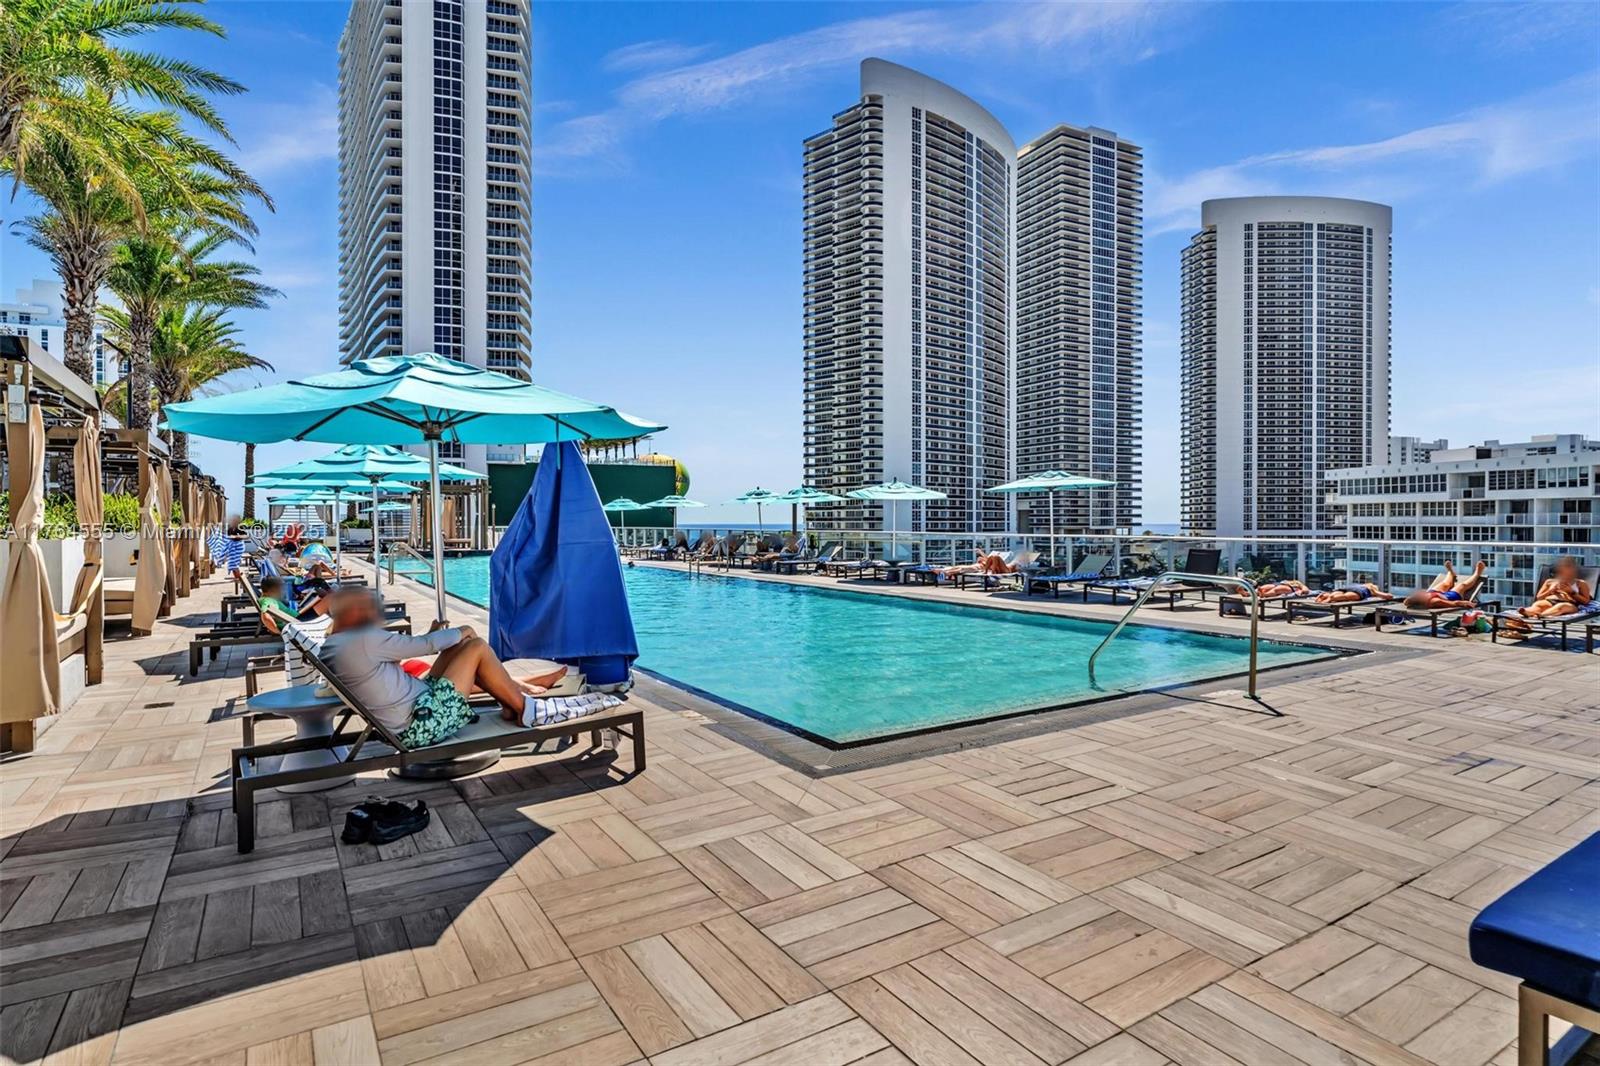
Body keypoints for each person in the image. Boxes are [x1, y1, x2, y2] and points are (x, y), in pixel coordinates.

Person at [319, 589, 579, 747]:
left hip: (413, 712)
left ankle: (511, 702)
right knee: (476, 645)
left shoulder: (332, 646)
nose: (374, 614)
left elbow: (399, 658)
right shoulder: (363, 640)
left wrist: (446, 638)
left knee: (458, 646)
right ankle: (522, 708)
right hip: (423, 723)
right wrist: (465, 629)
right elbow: (426, 645)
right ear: (353, 612)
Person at [1504, 556, 1592, 630]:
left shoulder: (1580, 583)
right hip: (1549, 601)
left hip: (1570, 603)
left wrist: (1571, 592)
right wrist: (1551, 590)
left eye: (1568, 567)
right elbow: (1539, 597)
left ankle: (1541, 615)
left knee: (1560, 607)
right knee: (1538, 605)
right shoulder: (1550, 581)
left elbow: (1586, 601)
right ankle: (1527, 612)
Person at [1401, 560, 1487, 610]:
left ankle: (1450, 572)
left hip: (1435, 593)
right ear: (1419, 599)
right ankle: (1477, 573)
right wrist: (1463, 603)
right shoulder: (1433, 602)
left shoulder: (1422, 596)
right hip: (1449, 597)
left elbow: (1406, 602)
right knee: (1462, 585)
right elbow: (1453, 604)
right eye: (1416, 595)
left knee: (1445, 584)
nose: (1418, 593)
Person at [1313, 582, 1393, 605]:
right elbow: (1389, 596)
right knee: (1345, 597)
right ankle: (1330, 599)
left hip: (1349, 587)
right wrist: (1375, 592)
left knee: (1334, 593)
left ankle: (1322, 597)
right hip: (1360, 591)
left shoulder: (1362, 585)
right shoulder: (1371, 589)